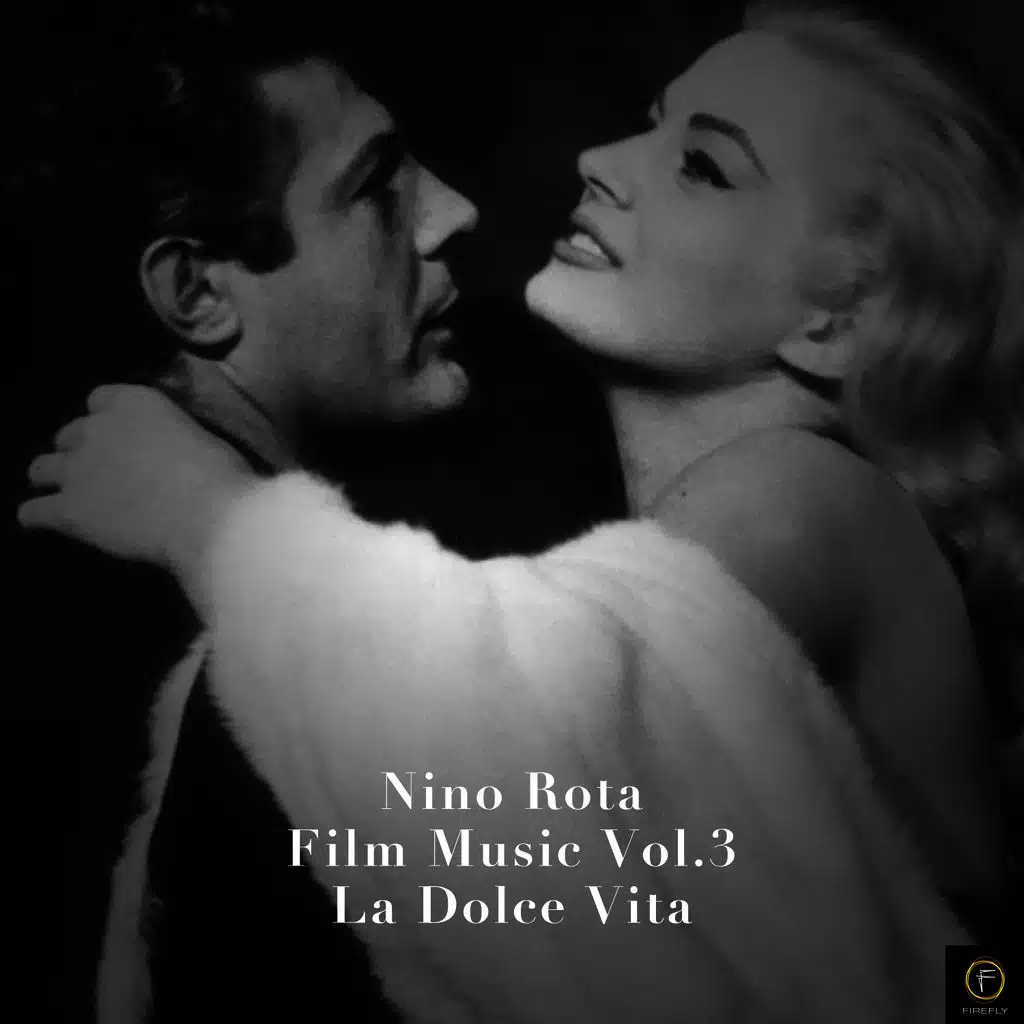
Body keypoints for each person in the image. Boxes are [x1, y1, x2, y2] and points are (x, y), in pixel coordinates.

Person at [22, 2, 1023, 1021]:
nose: (599, 160)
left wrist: (207, 515)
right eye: (649, 123)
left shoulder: (804, 492)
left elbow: (491, 779)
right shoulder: (636, 535)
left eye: (702, 166)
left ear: (838, 319)